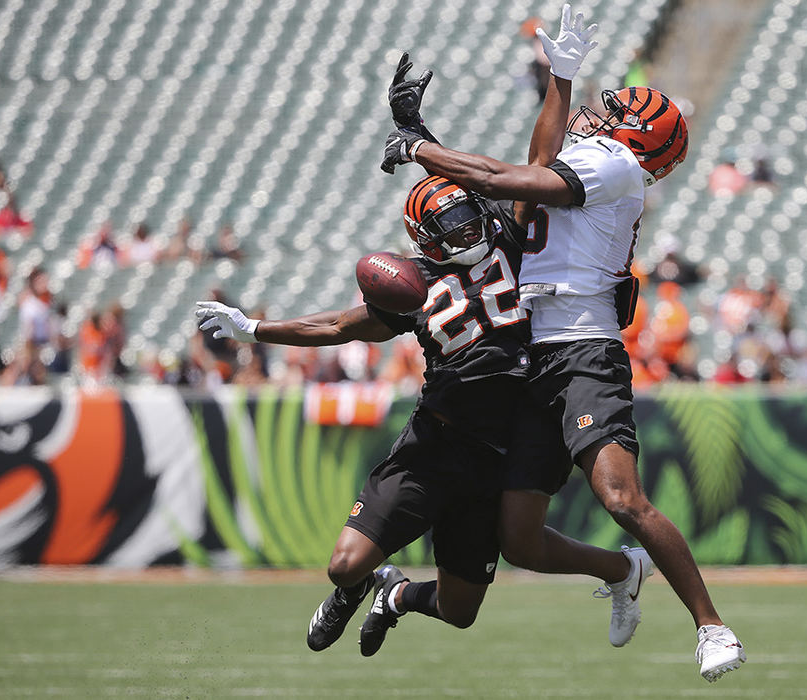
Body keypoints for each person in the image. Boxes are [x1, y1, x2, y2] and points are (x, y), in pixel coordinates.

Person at [194, 10, 644, 660]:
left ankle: (395, 594)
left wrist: (548, 83)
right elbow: (340, 325)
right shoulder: (416, 288)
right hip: (437, 445)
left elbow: (529, 163)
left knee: (460, 611)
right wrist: (257, 327)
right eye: (454, 227)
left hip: (503, 456)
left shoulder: (517, 240)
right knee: (342, 563)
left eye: (471, 218)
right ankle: (356, 590)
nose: (470, 229)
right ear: (424, 242)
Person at [381, 7, 744, 682]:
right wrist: (562, 77)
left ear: (629, 138)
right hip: (536, 354)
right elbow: (537, 159)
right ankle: (621, 572)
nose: (595, 117)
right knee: (518, 536)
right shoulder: (596, 158)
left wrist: (417, 146)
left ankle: (712, 625)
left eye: (609, 114)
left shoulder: (616, 169)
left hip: (580, 351)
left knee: (622, 499)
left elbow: (501, 178)